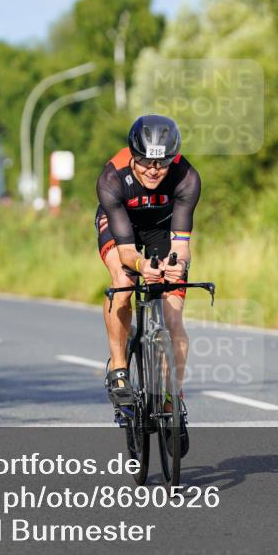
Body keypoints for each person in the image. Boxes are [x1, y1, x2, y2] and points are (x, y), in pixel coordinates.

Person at [96, 114, 201, 455]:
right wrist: (141, 266)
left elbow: (181, 245)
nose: (154, 170)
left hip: (161, 229)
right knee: (122, 283)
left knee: (173, 318)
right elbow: (126, 250)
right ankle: (119, 369)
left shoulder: (187, 178)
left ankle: (172, 400)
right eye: (146, 161)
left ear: (173, 157)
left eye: (163, 162)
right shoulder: (113, 178)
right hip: (121, 226)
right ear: (133, 155)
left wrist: (175, 266)